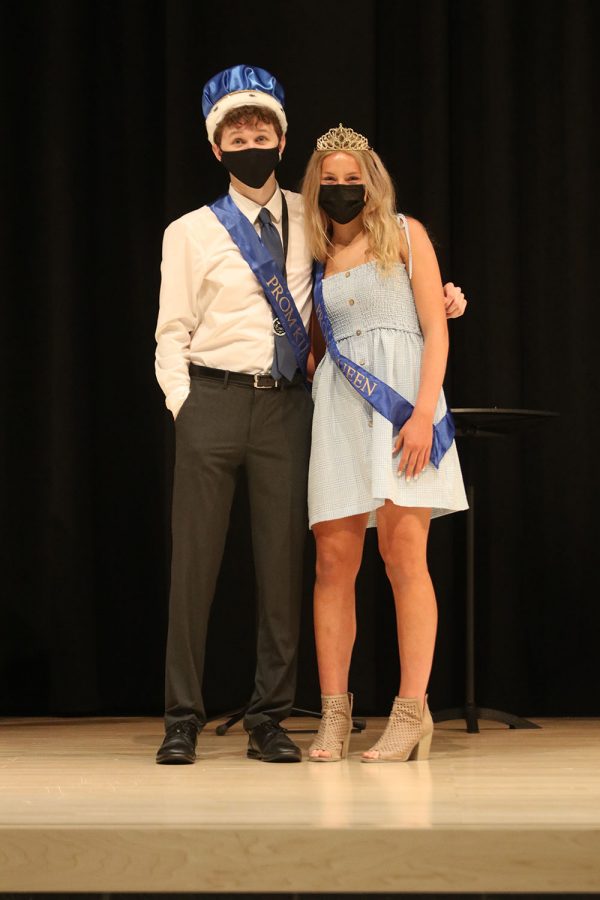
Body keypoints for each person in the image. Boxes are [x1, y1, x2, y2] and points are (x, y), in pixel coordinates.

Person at [155, 66, 466, 766]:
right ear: (215, 146)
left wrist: (445, 298)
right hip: (222, 399)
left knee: (298, 567)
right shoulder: (196, 231)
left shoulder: (317, 219)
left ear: (282, 138)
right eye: (237, 133)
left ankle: (278, 716)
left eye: (261, 131)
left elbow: (392, 293)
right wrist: (185, 406)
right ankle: (183, 716)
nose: (250, 141)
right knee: (209, 567)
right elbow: (173, 330)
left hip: (299, 408)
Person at [302, 124, 468, 763]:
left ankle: (410, 714)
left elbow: (435, 328)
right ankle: (334, 717)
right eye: (331, 181)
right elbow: (318, 348)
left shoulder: (405, 234)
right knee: (332, 567)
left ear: (370, 181)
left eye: (353, 179)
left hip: (403, 411)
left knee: (405, 560)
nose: (343, 190)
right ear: (317, 187)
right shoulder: (314, 257)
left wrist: (424, 413)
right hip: (339, 415)